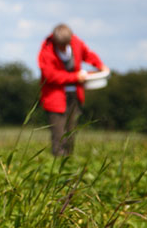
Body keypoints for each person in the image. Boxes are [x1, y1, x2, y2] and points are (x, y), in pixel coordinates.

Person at [38, 23, 109, 156]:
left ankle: (68, 161)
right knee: (58, 135)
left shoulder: (76, 43)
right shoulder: (46, 51)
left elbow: (88, 54)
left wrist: (100, 65)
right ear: (55, 41)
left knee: (71, 133)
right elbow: (51, 76)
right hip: (54, 98)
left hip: (74, 95)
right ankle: (58, 163)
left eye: (66, 44)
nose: (64, 47)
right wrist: (75, 77)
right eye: (61, 45)